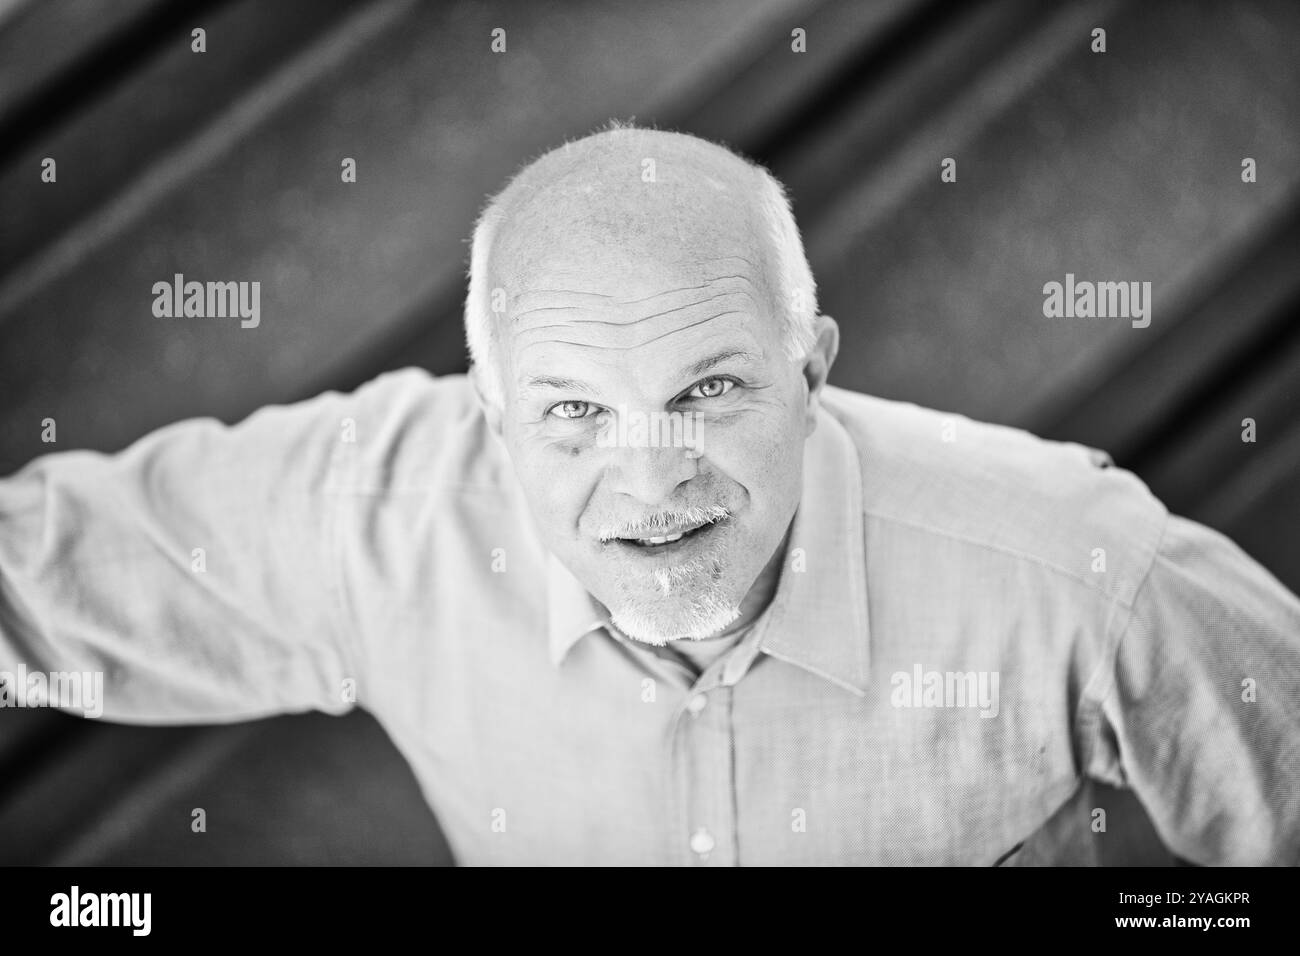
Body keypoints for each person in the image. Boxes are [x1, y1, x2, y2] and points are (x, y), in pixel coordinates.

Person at [2, 124, 1297, 865]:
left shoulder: (1083, 573)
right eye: (572, 411)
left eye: (710, 391)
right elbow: (39, 590)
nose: (651, 480)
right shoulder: (379, 515)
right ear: (494, 416)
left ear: (812, 372)